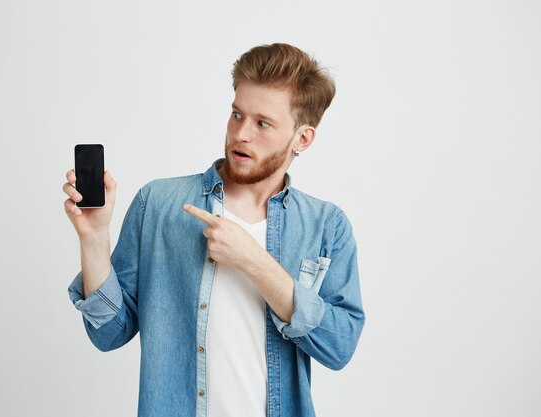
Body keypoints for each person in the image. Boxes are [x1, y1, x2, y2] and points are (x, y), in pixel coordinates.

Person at [62, 43, 365, 417]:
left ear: (302, 138)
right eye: (237, 114)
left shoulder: (326, 225)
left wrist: (256, 262)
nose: (241, 134)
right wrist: (93, 239)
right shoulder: (158, 204)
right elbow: (108, 334)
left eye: (262, 123)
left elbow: (339, 347)